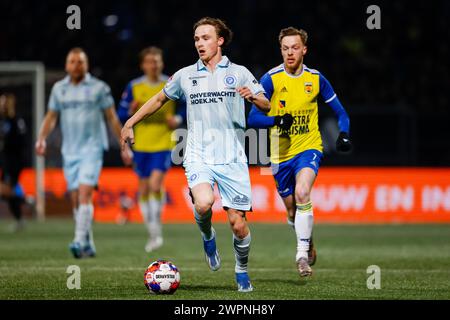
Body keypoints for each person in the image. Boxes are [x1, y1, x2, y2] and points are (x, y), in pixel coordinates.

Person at [121, 17, 270, 292]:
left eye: (205, 38)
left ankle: (241, 270)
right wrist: (130, 122)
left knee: (238, 225)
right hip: (198, 154)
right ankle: (207, 236)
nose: (200, 43)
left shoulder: (238, 72)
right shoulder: (185, 75)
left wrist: (254, 97)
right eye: (197, 39)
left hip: (232, 157)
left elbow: (267, 105)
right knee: (203, 203)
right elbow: (158, 100)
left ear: (220, 40)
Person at [247, 27, 352, 277]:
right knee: (293, 210)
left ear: (304, 49)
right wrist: (276, 121)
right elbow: (253, 118)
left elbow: (341, 112)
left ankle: (301, 256)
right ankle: (308, 238)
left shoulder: (316, 79)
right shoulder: (270, 79)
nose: (290, 53)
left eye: (295, 47)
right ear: (280, 50)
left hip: (308, 147)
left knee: (303, 191)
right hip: (279, 154)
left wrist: (344, 133)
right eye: (285, 48)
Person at [35, 47, 132, 258]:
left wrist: (123, 145)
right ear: (66, 65)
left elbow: (112, 118)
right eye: (72, 62)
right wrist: (41, 138)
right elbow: (51, 117)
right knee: (76, 198)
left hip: (92, 148)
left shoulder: (99, 88)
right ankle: (88, 242)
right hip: (69, 151)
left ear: (86, 65)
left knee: (85, 193)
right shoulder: (59, 89)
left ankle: (78, 240)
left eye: (80, 62)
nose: (76, 66)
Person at [118, 46, 184, 252]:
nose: (153, 65)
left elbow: (185, 106)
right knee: (144, 188)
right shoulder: (134, 87)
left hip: (164, 143)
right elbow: (121, 114)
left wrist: (178, 118)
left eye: (157, 61)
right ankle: (152, 233)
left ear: (162, 63)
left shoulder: (170, 84)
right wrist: (128, 111)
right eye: (149, 61)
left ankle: (157, 232)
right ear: (143, 65)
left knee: (156, 185)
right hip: (141, 145)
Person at [0, 93, 27, 232]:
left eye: (4, 102)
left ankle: (27, 200)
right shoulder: (3, 121)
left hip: (14, 162)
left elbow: (21, 142)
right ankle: (20, 218)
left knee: (4, 190)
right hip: (5, 162)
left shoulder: (17, 120)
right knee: (5, 193)